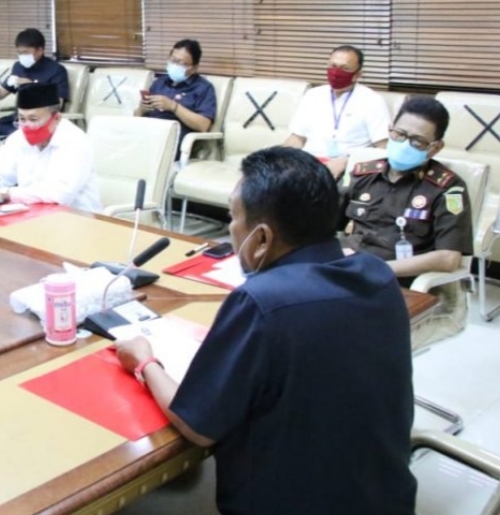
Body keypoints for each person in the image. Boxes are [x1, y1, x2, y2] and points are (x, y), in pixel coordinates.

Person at [116, 146, 416, 515]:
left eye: (232, 217)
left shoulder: (261, 300)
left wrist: (144, 362)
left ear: (261, 239)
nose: (230, 229)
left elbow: (198, 427)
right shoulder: (377, 274)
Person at [341, 96, 473, 287]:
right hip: (343, 269)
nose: (404, 144)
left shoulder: (448, 189)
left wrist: (378, 269)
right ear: (390, 130)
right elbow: (322, 224)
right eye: (399, 134)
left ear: (435, 148)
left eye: (418, 141)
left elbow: (449, 258)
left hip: (394, 282)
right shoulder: (363, 174)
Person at [0, 83, 102, 212]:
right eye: (22, 119)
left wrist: (6, 193)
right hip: (32, 212)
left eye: (33, 120)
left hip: (76, 216)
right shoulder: (18, 137)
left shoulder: (75, 141)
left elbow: (60, 194)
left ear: (56, 118)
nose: (26, 126)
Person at [285, 44, 390, 178]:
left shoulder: (372, 100)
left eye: (345, 68)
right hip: (309, 165)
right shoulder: (312, 95)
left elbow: (383, 147)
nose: (336, 72)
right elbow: (297, 138)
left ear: (358, 74)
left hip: (349, 168)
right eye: (333, 66)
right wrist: (281, 159)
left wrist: (348, 161)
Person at [0, 28, 69, 140]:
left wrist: (33, 85)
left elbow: (58, 104)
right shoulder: (18, 67)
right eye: (19, 53)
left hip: (39, 122)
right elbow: (0, 94)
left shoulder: (56, 70)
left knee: (10, 138)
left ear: (39, 50)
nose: (22, 57)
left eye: (25, 53)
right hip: (17, 119)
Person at [135, 39, 217, 155]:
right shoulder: (160, 82)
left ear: (194, 68)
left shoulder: (203, 88)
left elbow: (203, 125)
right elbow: (137, 116)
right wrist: (141, 109)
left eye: (181, 63)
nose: (175, 65)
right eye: (173, 60)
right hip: (148, 135)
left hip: (173, 143)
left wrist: (173, 107)